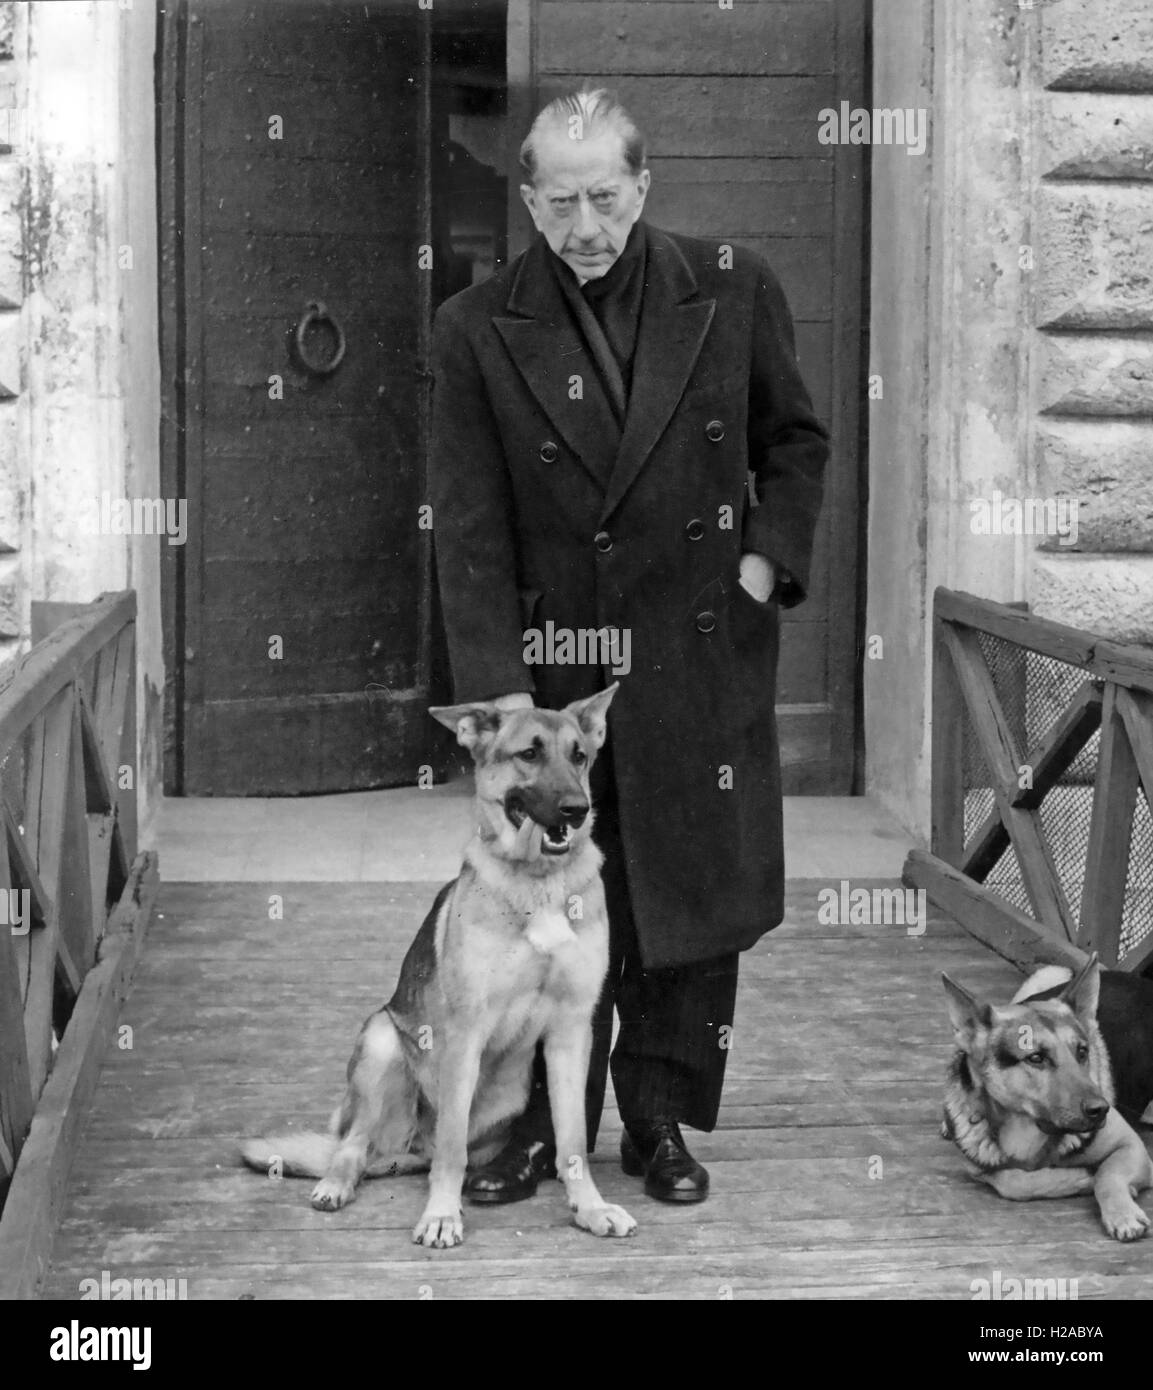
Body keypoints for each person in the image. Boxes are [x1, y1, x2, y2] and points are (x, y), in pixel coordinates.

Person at [427, 88, 828, 1204]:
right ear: (528, 203)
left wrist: (760, 569)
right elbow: (464, 524)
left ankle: (658, 1124)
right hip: (560, 679)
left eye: (606, 198)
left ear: (642, 186)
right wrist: (502, 702)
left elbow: (794, 442)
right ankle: (523, 1130)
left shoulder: (735, 287)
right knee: (541, 906)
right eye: (561, 205)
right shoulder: (474, 329)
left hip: (697, 648)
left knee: (687, 899)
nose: (587, 228)